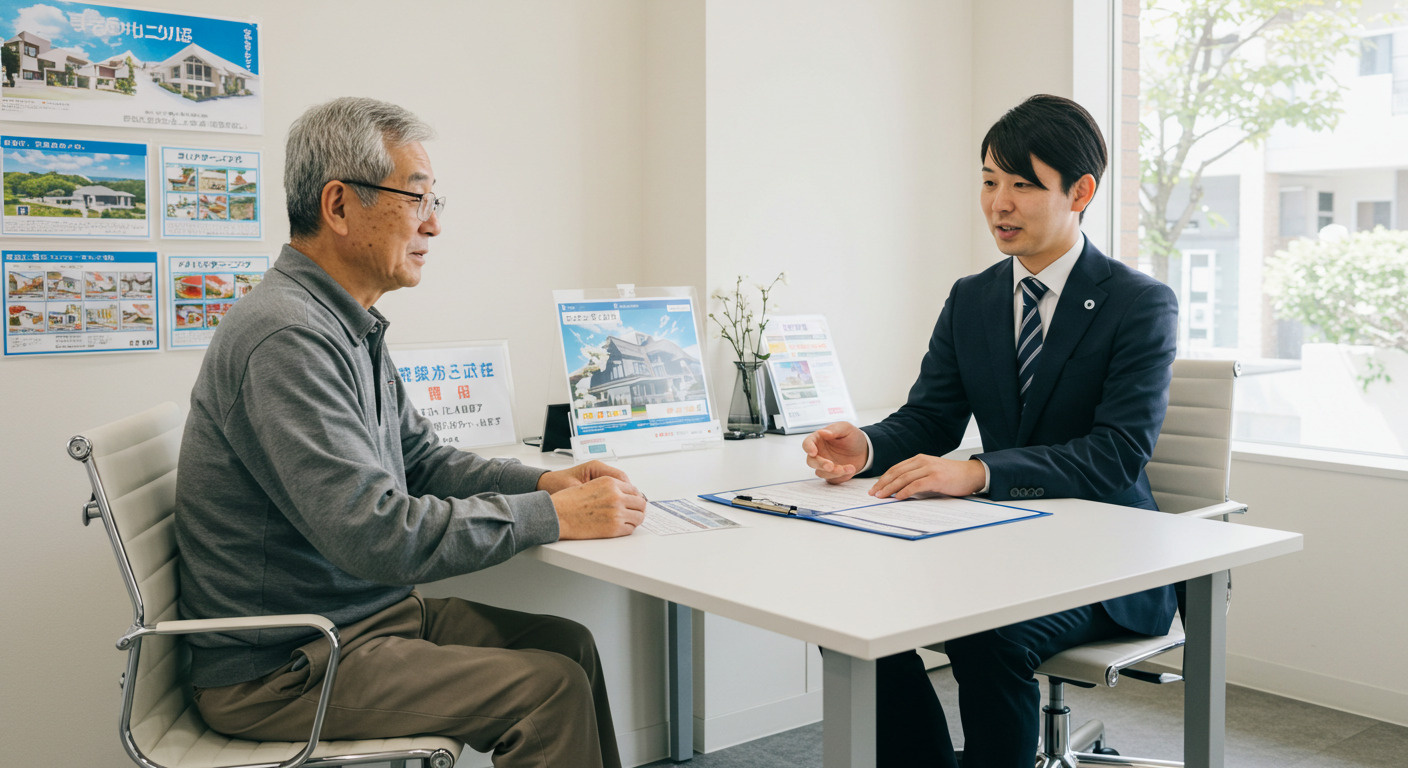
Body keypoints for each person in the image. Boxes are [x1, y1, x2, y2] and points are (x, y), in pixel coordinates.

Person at [174, 97, 646, 768]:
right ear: (338, 207)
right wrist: (552, 515)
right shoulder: (287, 335)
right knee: (549, 690)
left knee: (568, 644)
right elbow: (374, 534)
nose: (434, 224)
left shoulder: (340, 319)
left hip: (365, 620)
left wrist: (546, 481)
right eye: (417, 197)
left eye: (436, 201)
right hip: (284, 667)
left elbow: (419, 460)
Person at [802, 94, 1179, 768]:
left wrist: (978, 472)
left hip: (1109, 564)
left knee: (987, 638)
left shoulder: (1139, 304)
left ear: (1080, 191)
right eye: (988, 182)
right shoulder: (972, 297)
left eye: (1023, 185)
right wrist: (864, 445)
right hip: (999, 549)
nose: (999, 204)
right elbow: (930, 418)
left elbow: (1117, 455)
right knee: (852, 622)